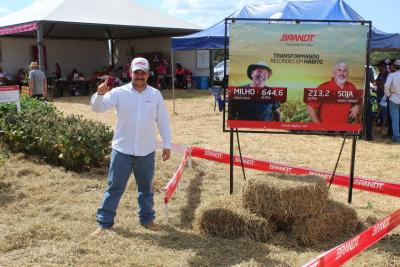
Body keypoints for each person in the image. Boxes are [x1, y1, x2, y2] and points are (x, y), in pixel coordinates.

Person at [90, 57, 172, 234]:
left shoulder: (155, 95)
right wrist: (99, 94)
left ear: (148, 74)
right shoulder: (119, 93)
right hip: (122, 149)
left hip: (146, 150)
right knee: (114, 188)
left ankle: (147, 219)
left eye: (143, 73)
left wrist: (167, 144)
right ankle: (104, 223)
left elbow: (163, 121)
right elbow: (97, 108)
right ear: (131, 73)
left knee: (146, 189)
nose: (140, 76)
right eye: (136, 72)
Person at [384, 59, 400, 143]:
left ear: (394, 67)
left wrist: (388, 95)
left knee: (395, 118)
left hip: (394, 98)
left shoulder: (391, 75)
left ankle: (397, 137)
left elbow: (386, 86)